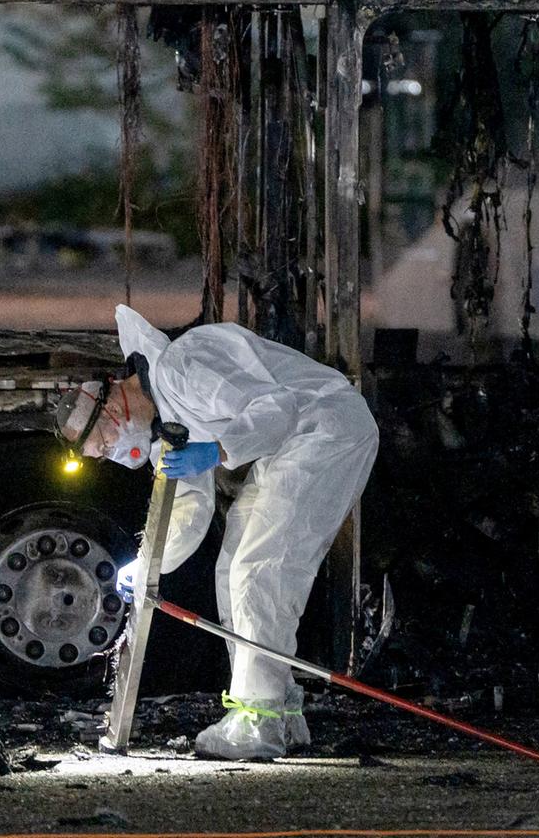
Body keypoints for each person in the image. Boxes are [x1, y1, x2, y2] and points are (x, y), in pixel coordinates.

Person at [55, 304, 378, 760]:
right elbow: (190, 506)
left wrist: (222, 448)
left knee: (259, 569)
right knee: (232, 570)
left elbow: (277, 407)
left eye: (105, 444)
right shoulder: (166, 425)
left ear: (112, 405)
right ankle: (282, 712)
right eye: (103, 454)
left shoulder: (185, 367)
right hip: (290, 447)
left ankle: (257, 722)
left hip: (325, 429)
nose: (112, 453)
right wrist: (146, 566)